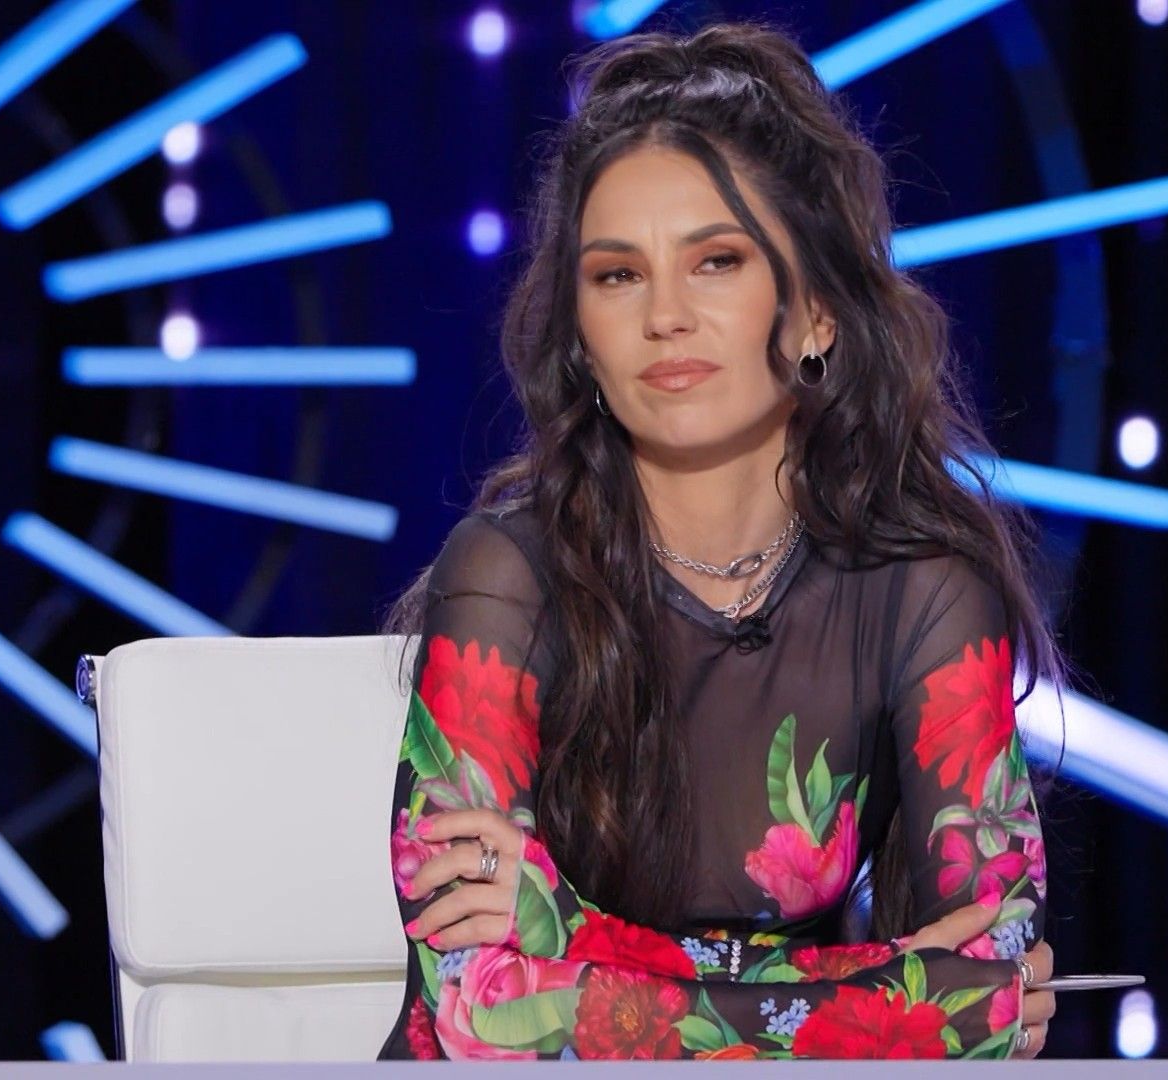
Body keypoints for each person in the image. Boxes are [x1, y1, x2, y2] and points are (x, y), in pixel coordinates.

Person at [376, 19, 1071, 1061]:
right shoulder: (505, 575)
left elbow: (994, 989)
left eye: (716, 261)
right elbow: (479, 1011)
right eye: (617, 276)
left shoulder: (925, 593)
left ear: (817, 313)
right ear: (581, 338)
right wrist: (883, 994)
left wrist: (573, 939)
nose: (665, 315)